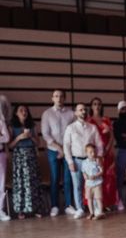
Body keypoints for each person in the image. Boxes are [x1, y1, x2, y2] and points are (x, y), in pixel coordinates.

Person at [64, 103, 104, 219]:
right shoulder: (70, 128)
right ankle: (80, 208)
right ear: (76, 113)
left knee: (94, 184)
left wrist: (99, 157)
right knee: (77, 185)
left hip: (90, 161)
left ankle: (96, 209)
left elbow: (99, 144)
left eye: (84, 110)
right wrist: (70, 162)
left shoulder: (92, 127)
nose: (83, 112)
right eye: (80, 110)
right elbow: (66, 146)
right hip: (76, 160)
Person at [40, 89, 75, 217]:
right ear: (52, 98)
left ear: (64, 98)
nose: (58, 98)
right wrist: (60, 149)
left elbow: (73, 133)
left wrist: (65, 149)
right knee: (54, 178)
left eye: (61, 96)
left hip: (68, 150)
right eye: (56, 96)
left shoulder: (71, 114)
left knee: (67, 179)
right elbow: (45, 134)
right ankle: (54, 206)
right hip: (53, 150)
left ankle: (68, 205)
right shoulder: (47, 114)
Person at [9, 104, 45, 219]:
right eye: (21, 110)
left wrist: (30, 136)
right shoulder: (12, 126)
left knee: (33, 181)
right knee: (21, 183)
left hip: (31, 155)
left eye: (25, 110)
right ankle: (21, 210)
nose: (24, 112)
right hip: (19, 155)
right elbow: (10, 145)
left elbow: (38, 143)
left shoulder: (32, 125)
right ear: (16, 113)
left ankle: (36, 208)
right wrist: (19, 137)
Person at [88, 97, 118, 210]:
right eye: (94, 104)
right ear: (91, 106)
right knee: (96, 179)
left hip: (107, 152)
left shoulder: (106, 120)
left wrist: (108, 148)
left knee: (108, 178)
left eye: (99, 104)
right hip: (94, 154)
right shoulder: (88, 121)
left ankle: (107, 203)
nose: (97, 106)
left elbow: (111, 136)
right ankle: (96, 205)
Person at [81, 143, 105, 220]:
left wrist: (96, 176)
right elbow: (83, 171)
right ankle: (92, 213)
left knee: (98, 198)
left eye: (94, 151)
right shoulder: (84, 162)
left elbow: (102, 171)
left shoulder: (97, 161)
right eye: (90, 152)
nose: (93, 153)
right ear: (86, 153)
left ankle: (100, 212)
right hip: (88, 184)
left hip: (97, 183)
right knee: (89, 198)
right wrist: (85, 176)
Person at [0, 102, 9, 221]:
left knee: (1, 183)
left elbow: (6, 138)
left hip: (0, 154)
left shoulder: (1, 122)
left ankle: (0, 209)